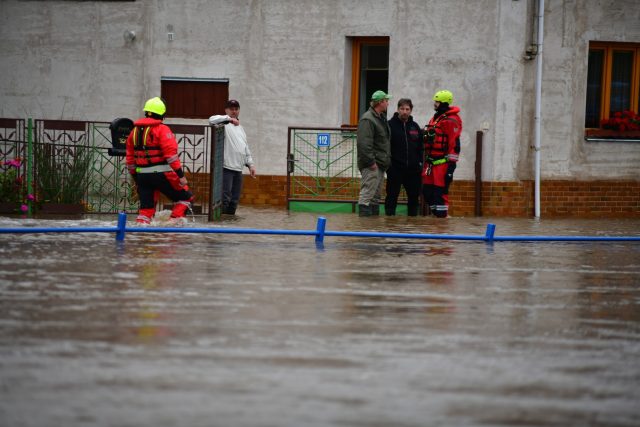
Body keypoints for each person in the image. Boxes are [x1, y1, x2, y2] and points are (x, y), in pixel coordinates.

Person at [126, 97, 194, 225]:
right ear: (162, 114)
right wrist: (181, 176)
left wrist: (136, 179)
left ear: (146, 112)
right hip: (162, 174)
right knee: (186, 198)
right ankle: (172, 227)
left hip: (142, 176)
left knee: (146, 211)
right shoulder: (162, 129)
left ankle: (141, 237)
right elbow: (171, 156)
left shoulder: (133, 132)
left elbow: (130, 160)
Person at [208, 99, 256, 215]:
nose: (234, 111)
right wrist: (228, 119)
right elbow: (211, 120)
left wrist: (250, 164)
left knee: (234, 201)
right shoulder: (223, 123)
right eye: (231, 109)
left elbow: (245, 147)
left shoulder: (240, 128)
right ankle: (222, 227)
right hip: (226, 168)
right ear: (226, 110)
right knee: (225, 199)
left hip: (238, 169)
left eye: (236, 109)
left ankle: (230, 225)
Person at [422, 89, 462, 218]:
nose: (434, 104)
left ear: (444, 103)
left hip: (442, 164)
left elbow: (454, 145)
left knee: (440, 193)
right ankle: (437, 216)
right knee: (427, 192)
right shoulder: (436, 118)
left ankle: (442, 221)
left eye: (437, 102)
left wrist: (451, 168)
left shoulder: (451, 120)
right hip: (430, 162)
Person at [385, 98, 424, 216]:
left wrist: (419, 163)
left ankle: (412, 224)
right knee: (392, 196)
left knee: (413, 197)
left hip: (413, 170)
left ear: (411, 110)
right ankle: (389, 223)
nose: (405, 111)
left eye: (407, 109)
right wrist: (389, 164)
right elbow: (385, 145)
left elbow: (420, 146)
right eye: (402, 109)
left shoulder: (415, 126)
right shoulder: (389, 125)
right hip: (395, 168)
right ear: (397, 109)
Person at [356, 90, 392, 217]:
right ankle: (364, 228)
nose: (388, 103)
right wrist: (371, 163)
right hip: (372, 164)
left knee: (375, 197)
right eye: (386, 101)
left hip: (380, 163)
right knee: (367, 195)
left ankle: (373, 228)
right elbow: (364, 144)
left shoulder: (380, 118)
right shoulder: (368, 119)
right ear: (380, 102)